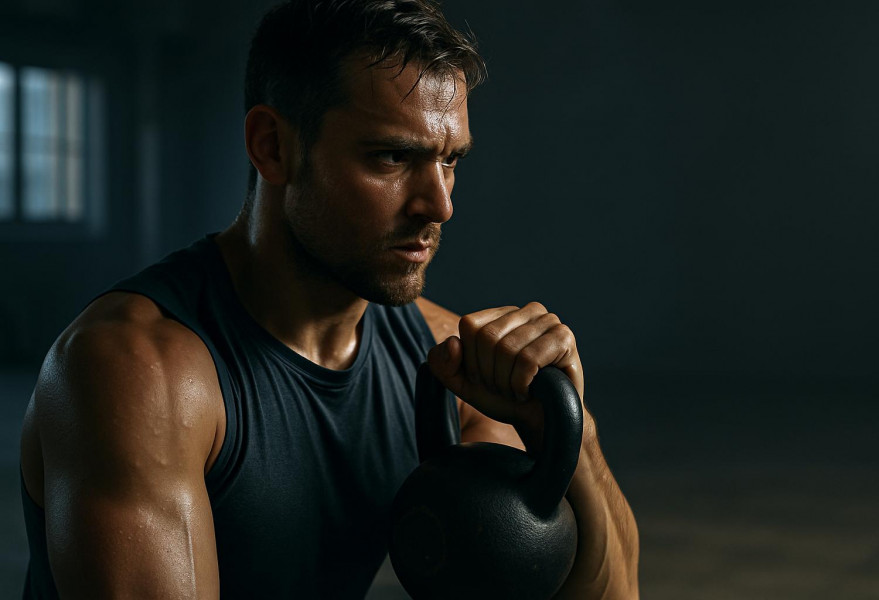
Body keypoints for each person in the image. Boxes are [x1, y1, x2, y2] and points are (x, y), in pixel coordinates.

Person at [19, 0, 639, 597]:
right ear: (272, 146)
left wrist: (571, 434)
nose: (440, 204)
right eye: (393, 157)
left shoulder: (441, 361)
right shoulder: (137, 372)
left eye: (450, 161)